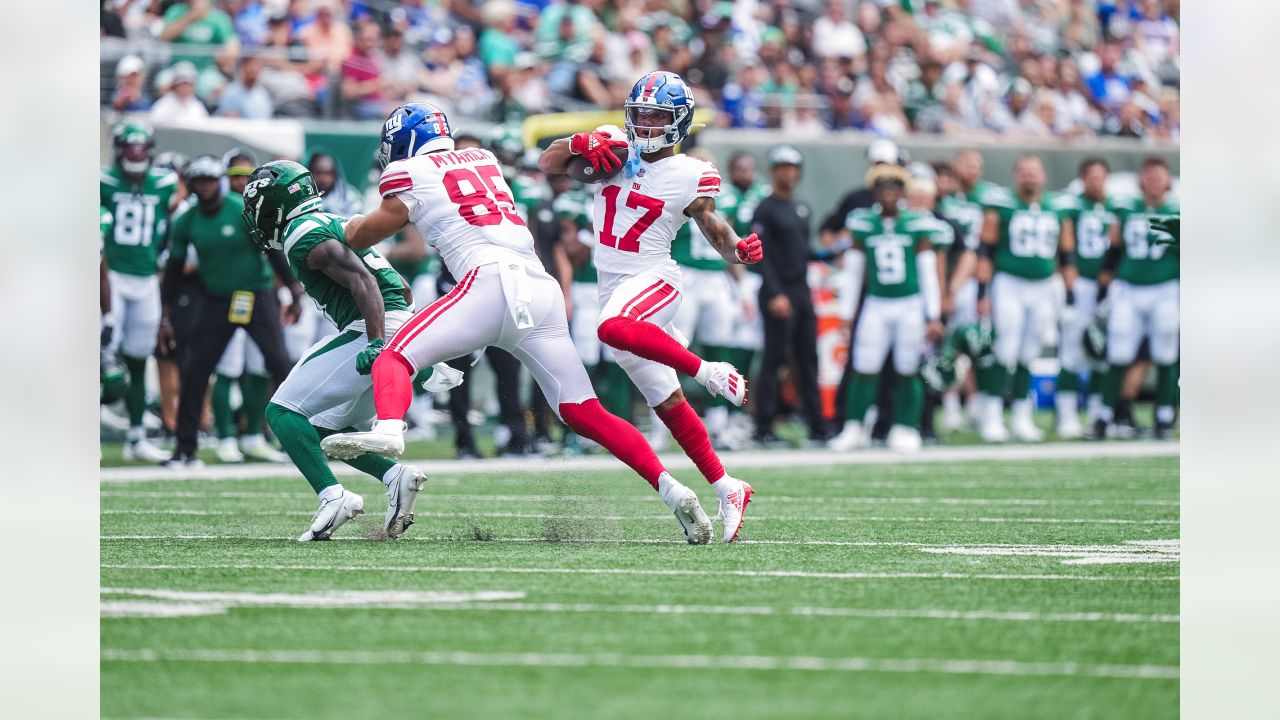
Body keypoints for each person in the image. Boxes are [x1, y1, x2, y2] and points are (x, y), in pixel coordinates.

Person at [319, 103, 727, 545]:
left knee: (395, 357)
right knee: (582, 410)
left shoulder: (410, 173)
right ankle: (673, 490)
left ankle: (389, 432)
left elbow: (360, 237)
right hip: (539, 288)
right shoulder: (484, 160)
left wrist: (324, 225)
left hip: (486, 284)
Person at [538, 71, 762, 541]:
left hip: (654, 277)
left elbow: (711, 224)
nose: (645, 123)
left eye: (657, 116)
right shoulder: (615, 146)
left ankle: (709, 371)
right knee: (666, 400)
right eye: (640, 113)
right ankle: (727, 486)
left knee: (612, 328)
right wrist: (581, 141)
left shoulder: (689, 172)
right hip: (611, 282)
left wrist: (736, 250)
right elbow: (549, 160)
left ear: (680, 122)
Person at [242, 160, 461, 540]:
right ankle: (396, 477)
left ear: (275, 202)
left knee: (281, 412)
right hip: (400, 326)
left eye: (258, 204)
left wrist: (376, 341)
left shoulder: (301, 231)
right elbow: (403, 290)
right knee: (328, 428)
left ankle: (333, 496)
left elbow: (363, 281)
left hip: (372, 328)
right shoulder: (332, 221)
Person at [159, 155, 302, 467]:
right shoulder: (186, 221)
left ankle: (302, 441)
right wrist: (165, 314)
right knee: (196, 371)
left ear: (219, 182)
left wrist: (292, 290)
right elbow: (172, 270)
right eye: (200, 181)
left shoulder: (241, 210)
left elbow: (271, 251)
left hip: (258, 294)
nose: (206, 187)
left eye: (211, 180)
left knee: (279, 363)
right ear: (193, 185)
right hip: (217, 299)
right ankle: (185, 449)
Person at [829, 163, 945, 452]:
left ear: (903, 192)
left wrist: (933, 314)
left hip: (909, 304)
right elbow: (854, 273)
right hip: (876, 304)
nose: (889, 194)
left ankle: (905, 427)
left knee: (908, 367)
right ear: (875, 193)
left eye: (894, 188)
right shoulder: (863, 223)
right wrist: (846, 313)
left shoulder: (918, 223)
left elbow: (928, 272)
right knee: (864, 366)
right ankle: (854, 427)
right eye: (883, 189)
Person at [975, 153, 1076, 443]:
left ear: (1043, 175)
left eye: (1034, 172)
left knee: (1029, 352)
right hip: (1009, 283)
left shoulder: (1057, 208)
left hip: (1044, 285)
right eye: (1024, 172)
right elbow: (985, 250)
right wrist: (983, 293)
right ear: (1016, 175)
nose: (1029, 177)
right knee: (1004, 349)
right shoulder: (1001, 205)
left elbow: (1067, 255)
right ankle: (992, 416)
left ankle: (1021, 416)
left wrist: (1069, 295)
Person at [100, 122, 184, 463]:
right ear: (119, 150)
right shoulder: (102, 181)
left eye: (140, 148)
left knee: (138, 359)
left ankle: (136, 437)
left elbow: (172, 217)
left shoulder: (164, 184)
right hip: (111, 277)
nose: (135, 154)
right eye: (129, 147)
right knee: (99, 360)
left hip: (147, 278)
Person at [750, 144, 828, 445]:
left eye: (793, 167)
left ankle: (818, 425)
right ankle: (763, 427)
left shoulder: (802, 207)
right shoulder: (765, 209)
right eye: (783, 167)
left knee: (808, 357)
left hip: (802, 290)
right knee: (775, 358)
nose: (789, 172)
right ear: (773, 171)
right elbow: (760, 255)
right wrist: (774, 293)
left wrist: (830, 252)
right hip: (778, 291)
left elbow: (804, 251)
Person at [1098, 156, 1179, 439]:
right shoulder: (1124, 209)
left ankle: (1164, 415)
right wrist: (1103, 289)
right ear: (1140, 180)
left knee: (1165, 353)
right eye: (1148, 176)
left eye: (1158, 176)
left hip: (1166, 288)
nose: (1153, 181)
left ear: (1168, 182)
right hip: (1129, 288)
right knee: (1118, 352)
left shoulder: (1180, 210)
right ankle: (1104, 415)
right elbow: (1114, 249)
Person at [1056, 157, 1120, 439]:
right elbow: (1064, 247)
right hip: (1081, 283)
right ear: (1083, 178)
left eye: (1100, 177)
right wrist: (1069, 289)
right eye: (1091, 177)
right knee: (1071, 350)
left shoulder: (1119, 207)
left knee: (1102, 351)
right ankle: (1067, 415)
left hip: (1111, 287)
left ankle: (1097, 415)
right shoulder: (1071, 206)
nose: (1096, 182)